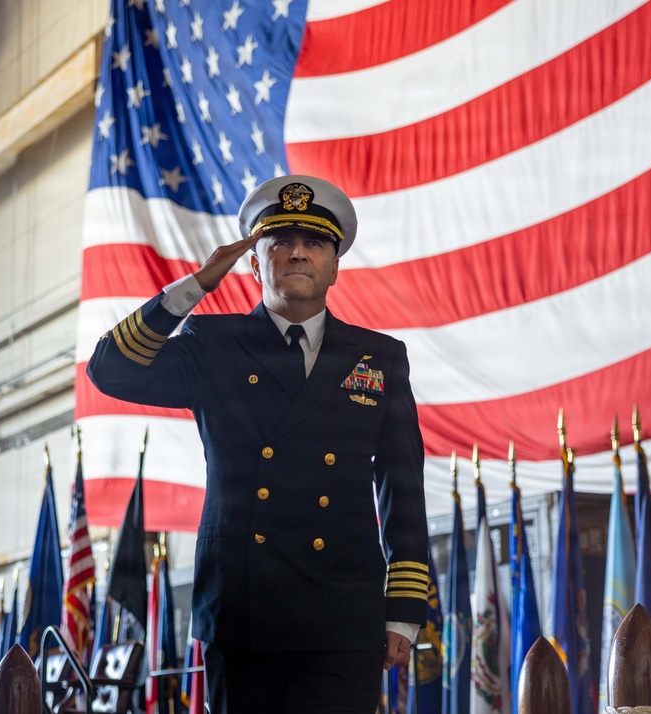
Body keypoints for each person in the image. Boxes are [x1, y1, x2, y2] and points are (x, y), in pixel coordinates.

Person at [87, 176, 430, 714]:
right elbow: (110, 370)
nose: (297, 252)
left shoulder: (379, 358)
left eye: (315, 243)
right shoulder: (212, 344)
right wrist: (195, 286)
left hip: (342, 613)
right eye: (280, 242)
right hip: (245, 612)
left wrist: (404, 612)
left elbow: (403, 487)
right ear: (253, 261)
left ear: (335, 265)